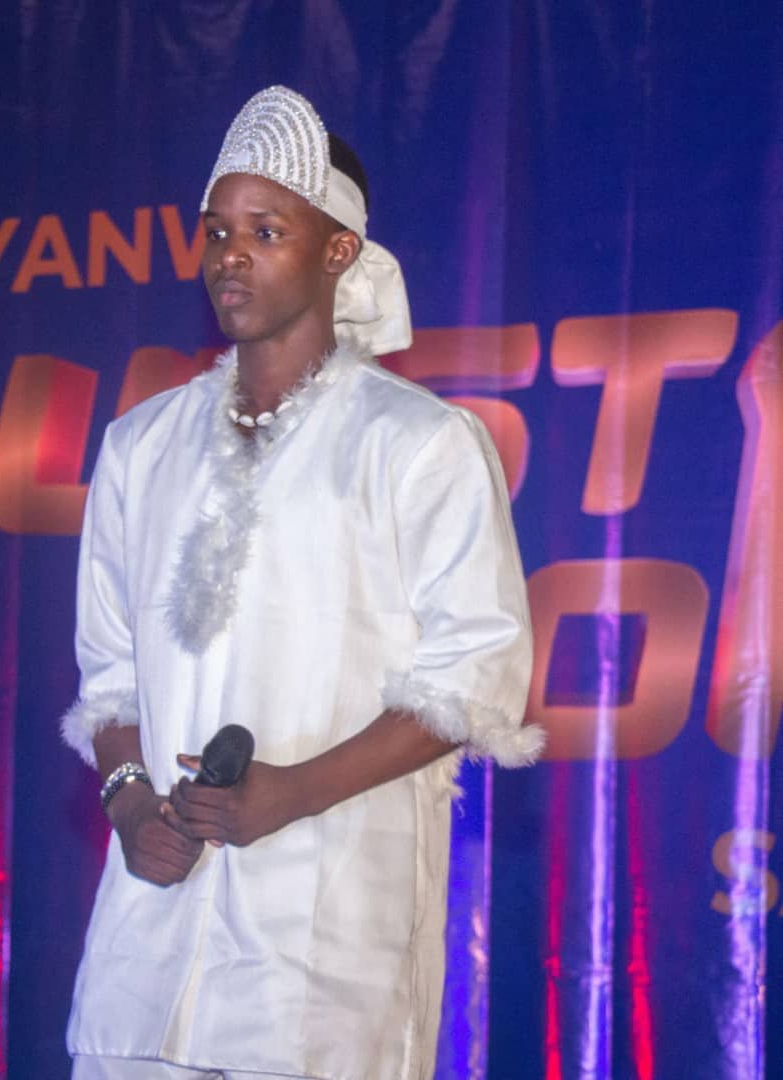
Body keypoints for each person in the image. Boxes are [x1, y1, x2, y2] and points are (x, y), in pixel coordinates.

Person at [61, 85, 541, 1080]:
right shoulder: (139, 446)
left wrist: (293, 792)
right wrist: (129, 803)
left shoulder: (420, 443)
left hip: (322, 958)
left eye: (266, 230)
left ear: (337, 252)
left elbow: (474, 680)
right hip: (147, 953)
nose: (230, 255)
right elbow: (109, 678)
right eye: (216, 231)